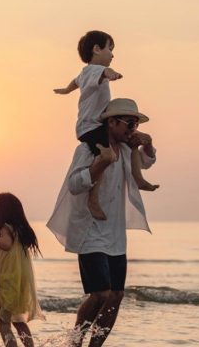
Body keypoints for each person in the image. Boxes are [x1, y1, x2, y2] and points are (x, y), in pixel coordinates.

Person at [47, 98, 157, 347]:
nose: (133, 128)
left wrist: (149, 142)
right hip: (90, 231)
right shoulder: (89, 149)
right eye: (129, 122)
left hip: (116, 235)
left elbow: (147, 162)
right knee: (100, 294)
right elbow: (74, 184)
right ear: (112, 122)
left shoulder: (128, 151)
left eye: (136, 123)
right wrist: (99, 164)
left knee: (116, 295)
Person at [54, 30, 159, 220]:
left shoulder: (84, 74)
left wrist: (66, 90)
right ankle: (93, 198)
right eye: (110, 48)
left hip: (95, 125)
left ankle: (139, 179)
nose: (112, 54)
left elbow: (74, 82)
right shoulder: (94, 71)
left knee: (132, 143)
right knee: (106, 156)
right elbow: (105, 72)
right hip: (91, 127)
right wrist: (112, 74)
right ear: (96, 49)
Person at [0, 193, 44, 347]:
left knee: (3, 321)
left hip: (8, 280)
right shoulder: (21, 230)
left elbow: (6, 245)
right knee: (18, 321)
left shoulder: (5, 229)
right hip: (19, 281)